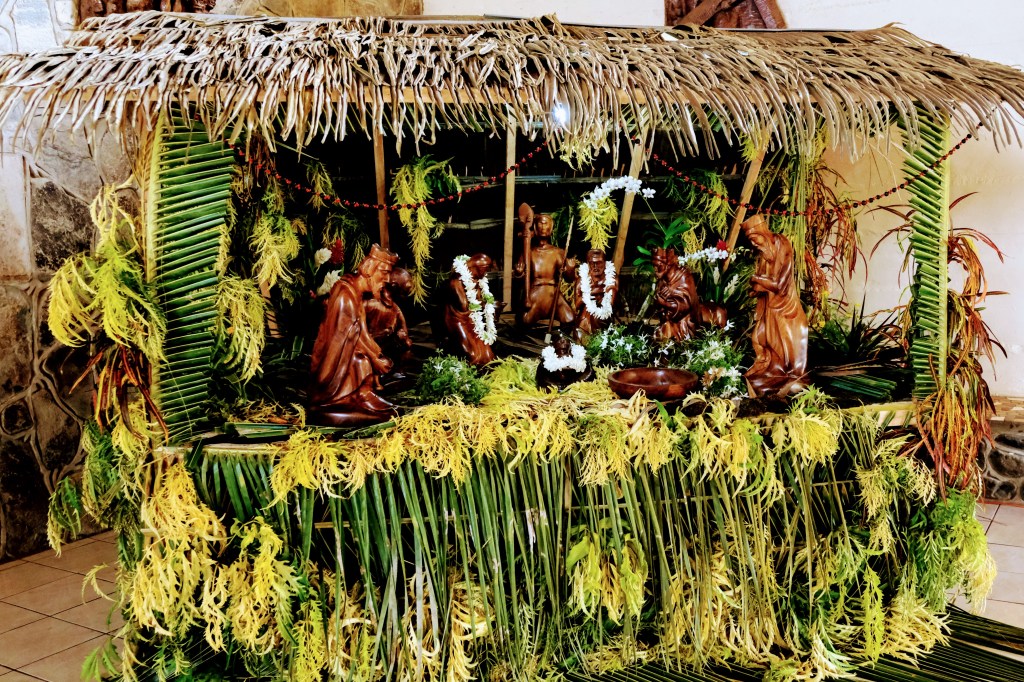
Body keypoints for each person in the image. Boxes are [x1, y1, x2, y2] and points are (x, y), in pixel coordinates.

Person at [308, 244, 399, 426]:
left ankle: (363, 396)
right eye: (384, 272)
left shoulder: (356, 292)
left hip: (349, 351)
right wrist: (374, 359)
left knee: (366, 359)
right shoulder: (346, 295)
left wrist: (376, 353)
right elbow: (349, 337)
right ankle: (350, 397)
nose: (387, 279)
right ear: (369, 270)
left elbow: (361, 330)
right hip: (333, 367)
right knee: (361, 361)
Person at [741, 215, 808, 396]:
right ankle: (770, 370)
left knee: (786, 343)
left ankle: (787, 376)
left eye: (755, 238)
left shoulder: (782, 245)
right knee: (760, 338)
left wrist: (757, 280)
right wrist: (756, 288)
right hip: (769, 308)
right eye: (750, 240)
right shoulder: (764, 255)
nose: (754, 244)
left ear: (763, 233)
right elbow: (761, 284)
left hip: (785, 308)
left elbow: (779, 285)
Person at [515, 204, 575, 328]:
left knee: (569, 319)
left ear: (551, 228)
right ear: (535, 227)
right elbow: (520, 278)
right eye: (540, 223)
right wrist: (519, 273)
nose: (543, 226)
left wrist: (570, 269)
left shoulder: (558, 252)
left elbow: (569, 279)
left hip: (553, 293)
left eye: (546, 223)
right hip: (536, 292)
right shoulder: (528, 252)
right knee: (524, 321)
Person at [445, 253, 501, 366]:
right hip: (458, 320)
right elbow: (464, 306)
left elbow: (480, 300)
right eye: (485, 269)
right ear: (476, 268)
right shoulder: (456, 282)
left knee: (488, 356)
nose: (486, 273)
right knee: (472, 355)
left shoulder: (479, 280)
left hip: (472, 320)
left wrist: (489, 305)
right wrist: (476, 292)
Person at [364, 266, 414, 368]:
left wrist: (403, 337)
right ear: (394, 285)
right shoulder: (370, 304)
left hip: (385, 353)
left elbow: (406, 338)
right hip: (367, 351)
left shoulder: (396, 310)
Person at [652, 247, 699, 343]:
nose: (655, 269)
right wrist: (658, 301)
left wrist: (664, 303)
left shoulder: (684, 276)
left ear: (668, 264)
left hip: (683, 323)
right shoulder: (662, 281)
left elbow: (686, 305)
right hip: (667, 323)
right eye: (654, 266)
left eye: (658, 266)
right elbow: (658, 305)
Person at [573, 249, 617, 340]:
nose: (595, 266)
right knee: (584, 323)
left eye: (599, 263)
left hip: (604, 313)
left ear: (605, 263)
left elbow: (612, 303)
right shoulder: (581, 280)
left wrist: (611, 292)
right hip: (586, 312)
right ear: (588, 264)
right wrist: (587, 297)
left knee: (597, 318)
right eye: (592, 263)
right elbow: (576, 305)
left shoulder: (612, 278)